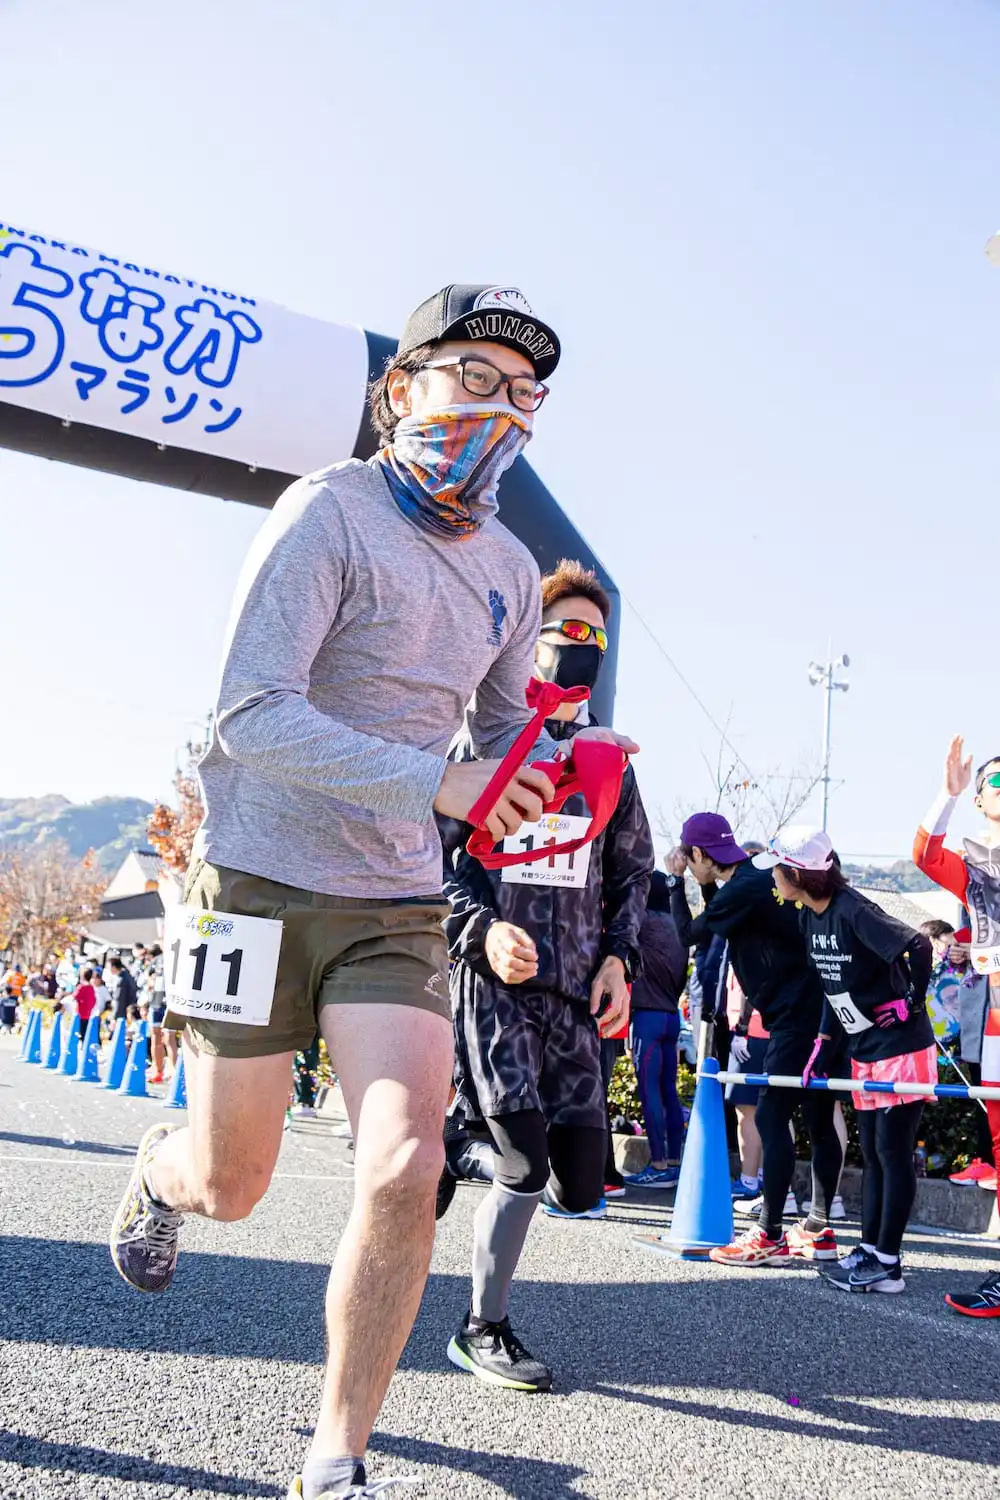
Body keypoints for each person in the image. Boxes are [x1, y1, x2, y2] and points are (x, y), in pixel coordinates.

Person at [107, 286, 636, 1500]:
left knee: (403, 1166)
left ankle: (336, 1456)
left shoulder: (509, 569)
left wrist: (556, 766)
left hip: (394, 901)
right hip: (254, 880)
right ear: (400, 389)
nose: (498, 409)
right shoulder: (326, 513)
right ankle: (161, 1170)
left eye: (522, 394)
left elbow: (496, 738)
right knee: (230, 1184)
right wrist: (437, 782)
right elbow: (248, 715)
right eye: (472, 377)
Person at [437, 558, 652, 1392]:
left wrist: (619, 961)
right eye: (566, 630)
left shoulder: (609, 763)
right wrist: (483, 932)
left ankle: (458, 1146)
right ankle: (481, 1328)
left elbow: (633, 875)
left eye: (597, 634)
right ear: (529, 642)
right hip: (494, 985)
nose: (583, 644)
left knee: (578, 1185)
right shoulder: (477, 745)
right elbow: (429, 866)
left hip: (574, 996)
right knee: (523, 1169)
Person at [757, 828, 933, 1293]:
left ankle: (888, 1263)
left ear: (797, 874)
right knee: (873, 1153)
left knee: (892, 1153)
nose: (773, 878)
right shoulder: (809, 917)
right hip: (863, 1047)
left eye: (777, 870)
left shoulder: (853, 910)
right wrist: (822, 1042)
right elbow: (831, 985)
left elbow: (919, 945)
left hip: (901, 1047)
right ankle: (871, 1251)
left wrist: (910, 1004)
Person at [666, 813, 842, 1267]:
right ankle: (818, 1228)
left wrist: (674, 881)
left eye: (688, 856)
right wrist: (705, 885)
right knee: (819, 1117)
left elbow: (688, 934)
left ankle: (770, 1233)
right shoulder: (756, 877)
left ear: (698, 854)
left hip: (792, 1017)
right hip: (824, 1010)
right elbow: (725, 917)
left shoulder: (741, 889)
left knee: (771, 1115)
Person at [914, 737, 1000, 1315]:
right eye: (997, 780)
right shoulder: (973, 869)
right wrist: (946, 794)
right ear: (979, 799)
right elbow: (925, 854)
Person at [622, 870, 688, 1187]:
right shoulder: (678, 926)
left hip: (647, 1018)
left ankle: (658, 1164)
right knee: (669, 1092)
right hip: (672, 1017)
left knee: (649, 1092)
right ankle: (673, 1161)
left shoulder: (643, 923)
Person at [107, 955, 138, 1022]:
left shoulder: (121, 980)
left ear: (114, 967)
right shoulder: (124, 975)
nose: (108, 969)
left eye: (109, 967)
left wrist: (114, 1017)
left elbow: (119, 1000)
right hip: (126, 1011)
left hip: (121, 1013)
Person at [74, 968, 98, 1037]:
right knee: (85, 1031)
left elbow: (75, 996)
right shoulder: (91, 988)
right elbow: (94, 1000)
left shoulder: (81, 987)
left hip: (80, 1012)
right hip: (88, 1013)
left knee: (79, 1031)